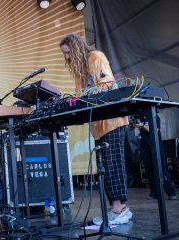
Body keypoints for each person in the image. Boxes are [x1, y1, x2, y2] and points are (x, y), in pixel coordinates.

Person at [59, 33, 131, 225]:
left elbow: (107, 85)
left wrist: (84, 95)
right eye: (64, 54)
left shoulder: (96, 57)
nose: (66, 57)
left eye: (67, 53)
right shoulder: (79, 71)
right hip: (99, 126)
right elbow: (80, 96)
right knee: (105, 168)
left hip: (113, 121)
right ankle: (115, 208)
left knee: (114, 164)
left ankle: (120, 209)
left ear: (76, 48)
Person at [132, 116, 177, 200]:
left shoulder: (154, 116)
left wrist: (142, 126)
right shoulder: (140, 118)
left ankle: (171, 192)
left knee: (162, 170)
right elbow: (131, 129)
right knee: (149, 170)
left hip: (156, 146)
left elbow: (155, 131)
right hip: (145, 147)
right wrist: (133, 125)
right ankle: (154, 193)